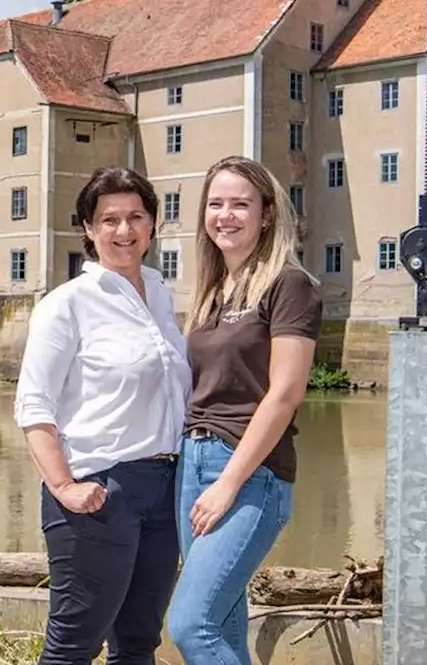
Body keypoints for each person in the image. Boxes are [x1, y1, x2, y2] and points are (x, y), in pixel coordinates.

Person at [13, 165, 192, 665]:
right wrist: (65, 486)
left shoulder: (159, 295)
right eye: (108, 219)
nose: (124, 230)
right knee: (74, 646)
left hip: (162, 491)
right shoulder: (66, 304)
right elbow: (33, 404)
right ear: (88, 230)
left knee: (138, 645)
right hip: (99, 493)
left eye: (136, 216)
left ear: (153, 224)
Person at [166, 156, 322, 665]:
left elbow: (285, 394)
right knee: (224, 627)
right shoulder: (213, 292)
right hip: (193, 464)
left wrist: (228, 483)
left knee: (191, 625)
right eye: (215, 204)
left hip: (250, 474)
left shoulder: (289, 284)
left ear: (268, 214)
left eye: (240, 204)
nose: (225, 215)